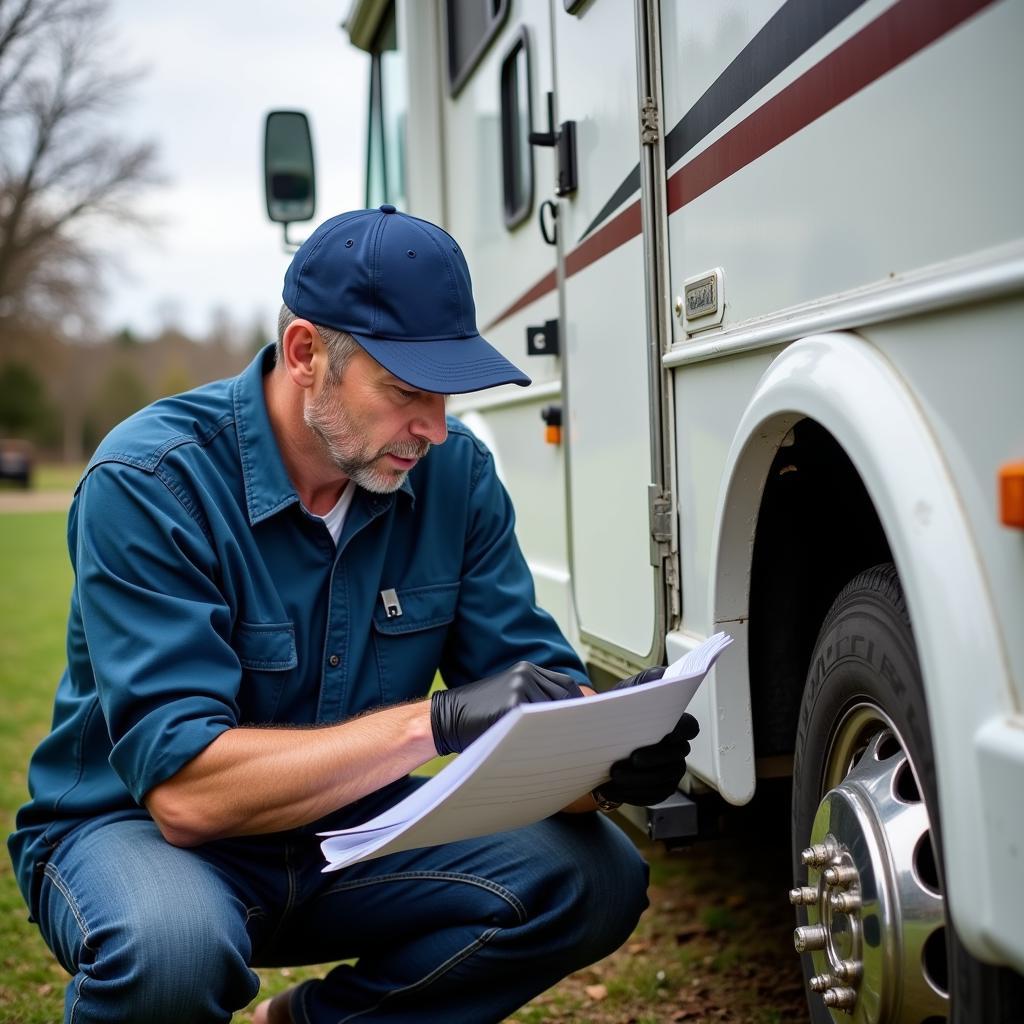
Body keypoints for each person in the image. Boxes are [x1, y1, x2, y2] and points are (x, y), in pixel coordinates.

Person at [8, 205, 699, 1024]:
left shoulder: (458, 479)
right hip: (133, 834)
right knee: (172, 950)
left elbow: (527, 711)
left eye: (448, 396)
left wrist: (606, 763)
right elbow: (187, 798)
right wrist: (436, 722)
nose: (436, 430)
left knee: (594, 878)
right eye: (406, 391)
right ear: (306, 354)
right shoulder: (150, 480)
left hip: (350, 835)